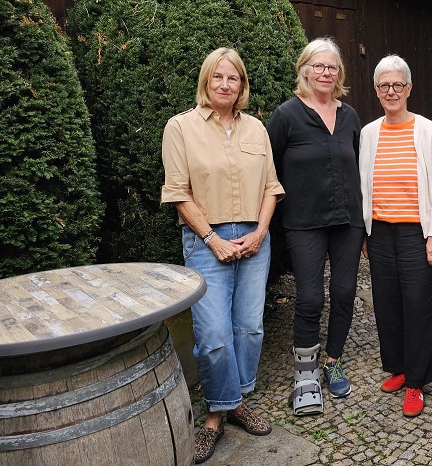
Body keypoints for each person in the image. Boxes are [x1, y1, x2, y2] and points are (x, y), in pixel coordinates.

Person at [161, 47, 285, 464]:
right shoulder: (180, 128)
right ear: (206, 82)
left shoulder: (256, 130)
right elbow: (178, 193)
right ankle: (218, 411)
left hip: (254, 237)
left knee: (249, 328)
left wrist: (261, 231)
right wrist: (212, 238)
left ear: (242, 85)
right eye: (218, 78)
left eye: (233, 79)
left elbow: (271, 186)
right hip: (205, 240)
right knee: (213, 336)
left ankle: (234, 402)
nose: (225, 85)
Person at [266, 37, 363, 416]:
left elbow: (360, 167)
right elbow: (269, 171)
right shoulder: (286, 115)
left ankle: (332, 360)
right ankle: (305, 374)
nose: (326, 72)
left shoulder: (350, 116)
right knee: (309, 297)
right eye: (319, 66)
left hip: (348, 222)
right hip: (304, 223)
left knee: (343, 293)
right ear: (304, 70)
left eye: (333, 67)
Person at [359, 55, 432, 417]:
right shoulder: (369, 132)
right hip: (380, 232)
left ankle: (416, 382)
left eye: (398, 85)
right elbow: (364, 184)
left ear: (409, 88)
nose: (392, 91)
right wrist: (366, 231)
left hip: (417, 232)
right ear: (377, 91)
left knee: (417, 305)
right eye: (385, 86)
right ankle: (397, 369)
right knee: (386, 303)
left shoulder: (427, 130)